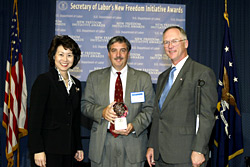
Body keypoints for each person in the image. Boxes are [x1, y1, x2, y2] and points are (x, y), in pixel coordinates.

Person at [146, 26, 218, 167]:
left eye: (174, 41)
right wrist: (152, 145)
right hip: (160, 156)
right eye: (166, 42)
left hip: (187, 155)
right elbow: (158, 115)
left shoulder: (202, 73)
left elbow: (206, 116)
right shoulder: (162, 77)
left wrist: (199, 149)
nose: (170, 46)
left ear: (186, 43)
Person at [81, 36, 155, 167]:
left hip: (133, 144)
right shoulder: (94, 77)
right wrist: (102, 112)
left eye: (123, 50)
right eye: (114, 50)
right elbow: (85, 105)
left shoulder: (143, 78)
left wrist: (134, 126)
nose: (118, 55)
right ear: (109, 54)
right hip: (102, 144)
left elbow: (150, 109)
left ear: (128, 53)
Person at [28, 35, 84, 167]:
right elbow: (35, 119)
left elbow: (75, 119)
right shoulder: (44, 81)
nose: (65, 59)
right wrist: (37, 150)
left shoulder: (76, 84)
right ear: (53, 56)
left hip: (69, 151)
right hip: (47, 151)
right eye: (61, 54)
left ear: (74, 58)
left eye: (69, 55)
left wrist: (78, 146)